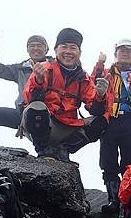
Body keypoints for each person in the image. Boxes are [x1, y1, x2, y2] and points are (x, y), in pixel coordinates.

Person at [21, 28, 111, 161]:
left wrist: (100, 95)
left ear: (79, 53)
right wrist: (39, 81)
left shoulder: (83, 77)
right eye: (64, 47)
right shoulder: (44, 68)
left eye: (73, 48)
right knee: (36, 107)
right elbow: (28, 99)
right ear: (56, 50)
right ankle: (43, 150)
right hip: (46, 124)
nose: (68, 52)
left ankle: (64, 149)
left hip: (69, 127)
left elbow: (96, 109)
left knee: (103, 119)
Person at [90, 39, 131, 214]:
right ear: (116, 53)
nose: (125, 53)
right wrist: (99, 64)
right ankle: (113, 200)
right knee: (108, 160)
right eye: (121, 50)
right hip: (109, 120)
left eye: (129, 51)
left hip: (130, 122)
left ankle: (129, 201)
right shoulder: (105, 72)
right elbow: (91, 92)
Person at [0, 31, 53, 144]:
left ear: (46, 49)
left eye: (39, 45)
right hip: (24, 114)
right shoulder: (21, 69)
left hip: (51, 114)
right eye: (32, 45)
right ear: (27, 49)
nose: (35, 48)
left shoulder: (55, 67)